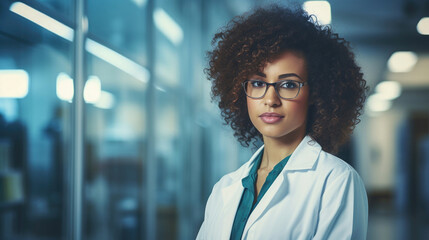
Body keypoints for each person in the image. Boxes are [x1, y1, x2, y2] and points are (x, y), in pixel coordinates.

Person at [196, 4, 369, 240]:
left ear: (316, 94)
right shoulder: (225, 188)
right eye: (258, 83)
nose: (270, 99)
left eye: (288, 84)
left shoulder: (337, 181)